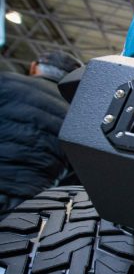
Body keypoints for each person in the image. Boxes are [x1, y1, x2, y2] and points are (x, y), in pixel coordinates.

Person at [0, 51, 82, 218]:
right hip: (25, 201)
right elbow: (75, 177)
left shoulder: (6, 82)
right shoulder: (77, 115)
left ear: (34, 67)